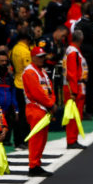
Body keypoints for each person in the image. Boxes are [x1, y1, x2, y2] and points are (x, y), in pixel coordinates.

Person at [21, 47, 55, 177]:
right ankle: (33, 165)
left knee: (42, 138)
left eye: (43, 56)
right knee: (37, 139)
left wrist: (52, 102)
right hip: (35, 108)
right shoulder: (30, 72)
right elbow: (37, 93)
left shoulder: (42, 72)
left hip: (44, 108)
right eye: (39, 56)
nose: (42, 59)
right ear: (33, 57)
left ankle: (37, 164)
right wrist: (51, 104)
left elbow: (50, 89)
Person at [64, 29, 88, 150]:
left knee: (75, 115)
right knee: (74, 115)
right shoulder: (73, 52)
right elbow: (72, 73)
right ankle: (72, 140)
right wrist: (74, 91)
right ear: (81, 40)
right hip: (74, 87)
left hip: (75, 86)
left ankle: (73, 138)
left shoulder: (71, 50)